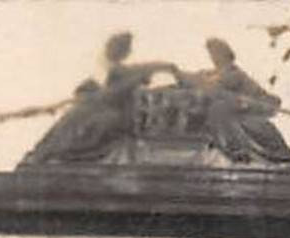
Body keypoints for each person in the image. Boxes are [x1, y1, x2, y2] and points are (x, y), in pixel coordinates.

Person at [26, 32, 178, 164]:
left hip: (119, 115)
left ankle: (48, 153)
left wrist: (163, 68)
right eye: (114, 47)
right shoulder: (119, 70)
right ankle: (46, 152)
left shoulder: (125, 71)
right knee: (75, 116)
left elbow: (116, 92)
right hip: (105, 110)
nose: (114, 51)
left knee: (87, 118)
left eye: (119, 47)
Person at [181, 38, 290, 169]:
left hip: (246, 111)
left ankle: (236, 150)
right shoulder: (212, 73)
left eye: (216, 53)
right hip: (232, 113)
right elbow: (199, 80)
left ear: (226, 56)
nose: (214, 57)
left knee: (219, 109)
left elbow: (215, 85)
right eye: (212, 54)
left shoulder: (235, 74)